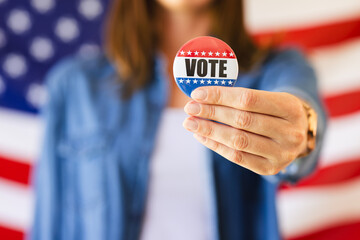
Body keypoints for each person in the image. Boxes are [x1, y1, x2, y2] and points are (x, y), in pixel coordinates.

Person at [31, 0, 327, 239]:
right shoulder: (74, 85)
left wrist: (302, 130)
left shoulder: (278, 69)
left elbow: (300, 108)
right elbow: (48, 219)